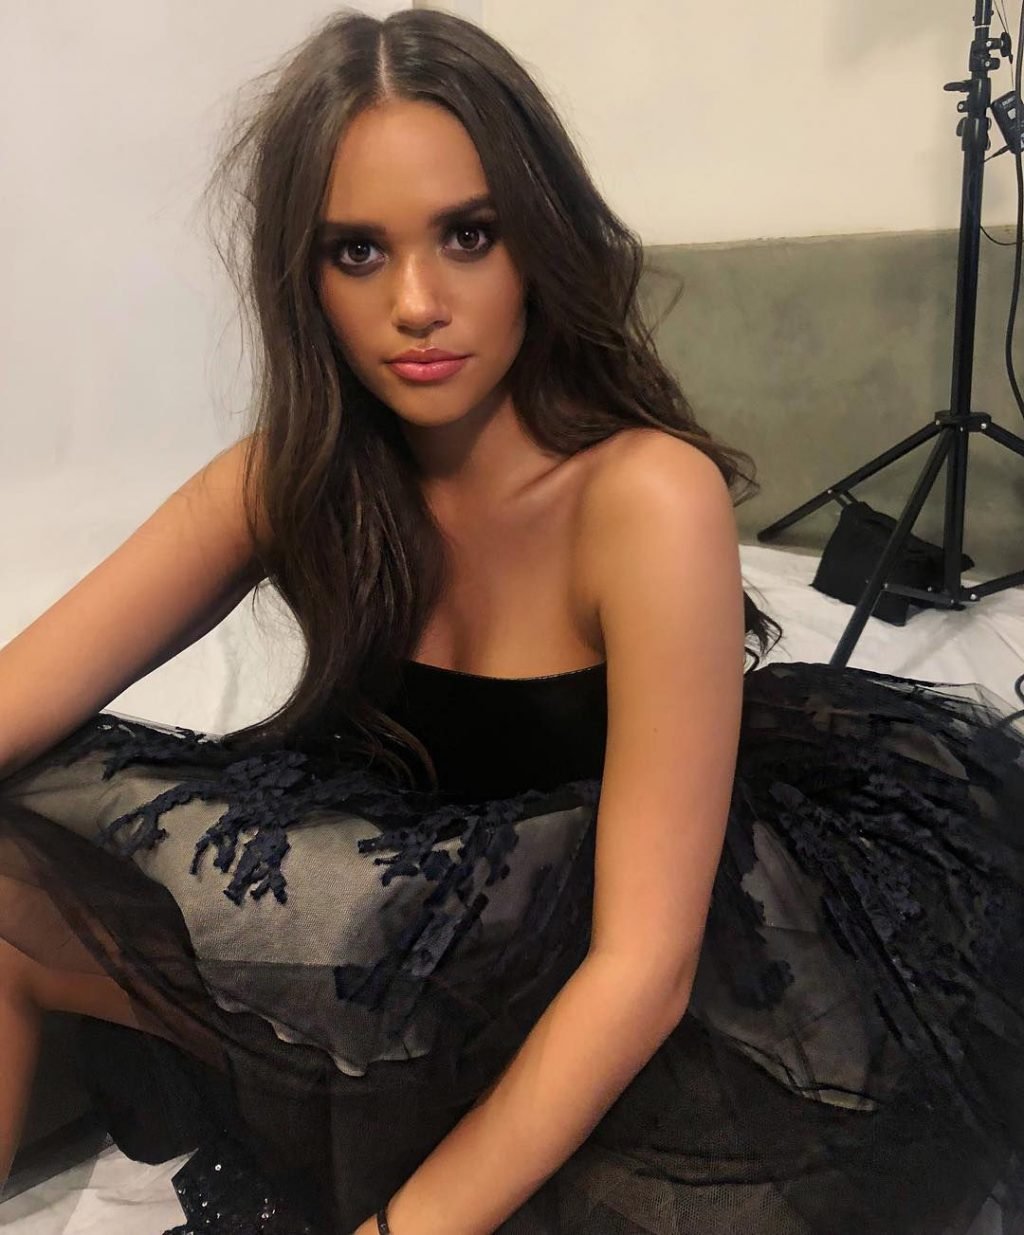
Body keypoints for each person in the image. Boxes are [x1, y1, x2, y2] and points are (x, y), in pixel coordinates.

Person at [2, 8, 1024, 1234]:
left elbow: (641, 966)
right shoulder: (294, 475)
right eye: (357, 251)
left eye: (468, 235)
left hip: (621, 966)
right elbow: (22, 697)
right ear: (304, 277)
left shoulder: (645, 499)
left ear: (537, 239)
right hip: (390, 921)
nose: (417, 302)